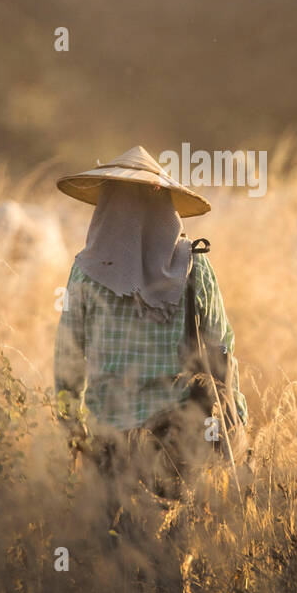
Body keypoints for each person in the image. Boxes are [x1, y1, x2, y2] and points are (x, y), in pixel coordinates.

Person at [53, 146, 248, 502]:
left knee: (113, 543)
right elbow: (223, 347)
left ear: (107, 208)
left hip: (107, 434)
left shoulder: (85, 272)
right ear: (165, 209)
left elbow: (68, 354)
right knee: (174, 539)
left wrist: (71, 423)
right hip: (178, 436)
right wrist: (237, 418)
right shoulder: (194, 266)